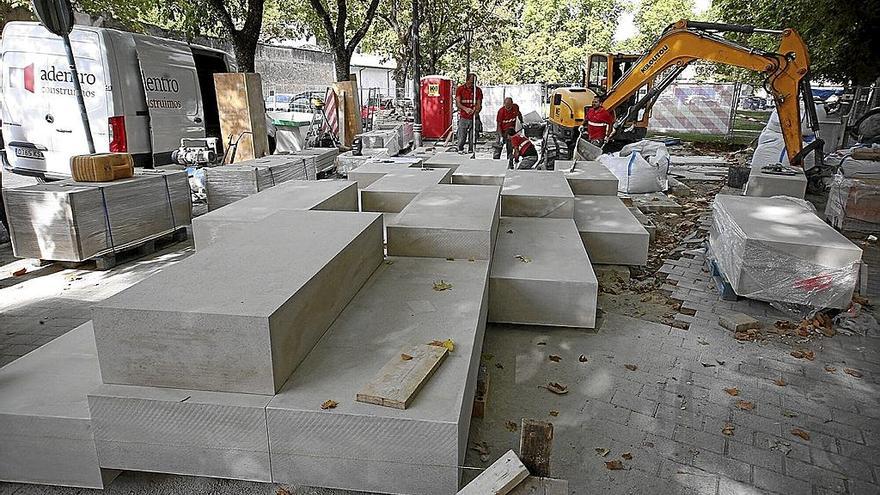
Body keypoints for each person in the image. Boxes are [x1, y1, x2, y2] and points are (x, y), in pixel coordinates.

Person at [455, 73, 482, 152]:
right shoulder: (460, 89)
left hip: (474, 117)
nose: (472, 84)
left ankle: (471, 151)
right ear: (467, 80)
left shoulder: (478, 90)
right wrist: (466, 109)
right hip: (464, 117)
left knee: (473, 138)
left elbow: (479, 104)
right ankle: (460, 150)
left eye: (474, 82)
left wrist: (476, 110)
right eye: (471, 82)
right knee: (462, 137)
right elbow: (458, 103)